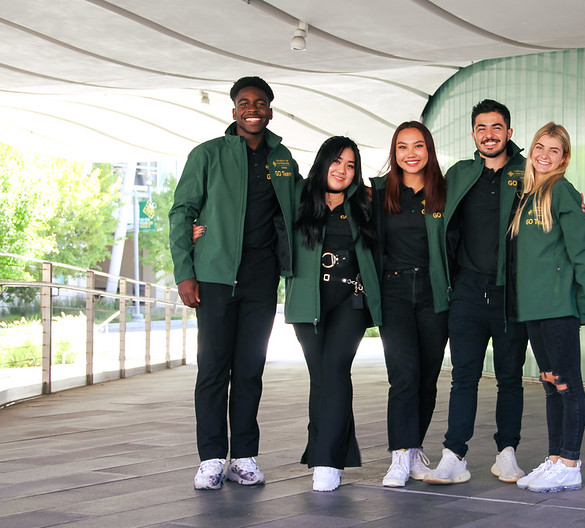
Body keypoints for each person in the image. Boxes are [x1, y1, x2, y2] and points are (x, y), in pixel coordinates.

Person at [169, 76, 301, 490]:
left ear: (270, 111)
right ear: (234, 111)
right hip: (214, 278)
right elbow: (181, 213)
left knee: (250, 370)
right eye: (244, 103)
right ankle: (210, 457)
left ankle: (243, 455)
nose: (252, 109)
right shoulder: (208, 154)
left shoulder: (282, 160)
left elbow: (304, 203)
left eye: (260, 103)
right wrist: (185, 272)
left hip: (262, 280)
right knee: (212, 369)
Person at [423, 99, 531, 484]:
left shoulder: (527, 171)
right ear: (474, 134)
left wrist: (578, 208)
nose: (489, 134)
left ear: (509, 133)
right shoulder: (460, 174)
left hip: (509, 293)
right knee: (463, 376)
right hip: (467, 290)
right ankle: (454, 455)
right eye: (482, 128)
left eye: (497, 127)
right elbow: (427, 204)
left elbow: (556, 198)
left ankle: (507, 454)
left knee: (510, 377)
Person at [284, 136, 382, 492]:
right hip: (308, 301)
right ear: (323, 162)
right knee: (320, 377)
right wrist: (199, 229)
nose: (342, 170)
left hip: (350, 300)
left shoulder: (366, 203)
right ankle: (327, 450)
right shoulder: (298, 197)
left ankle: (326, 462)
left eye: (351, 164)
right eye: (337, 162)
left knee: (335, 370)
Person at [508, 122, 585, 492]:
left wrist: (584, 302)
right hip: (533, 309)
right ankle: (554, 459)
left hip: (559, 308)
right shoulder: (528, 195)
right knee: (550, 384)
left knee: (567, 386)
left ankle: (571, 462)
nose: (544, 156)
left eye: (554, 151)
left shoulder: (561, 191)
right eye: (540, 148)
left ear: (564, 159)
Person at [370, 122, 450, 487]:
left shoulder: (446, 193)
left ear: (429, 150)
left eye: (418, 146)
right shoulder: (376, 192)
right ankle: (400, 456)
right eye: (403, 147)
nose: (411, 153)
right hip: (395, 291)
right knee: (404, 376)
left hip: (435, 294)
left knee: (428, 380)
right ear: (394, 153)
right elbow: (325, 194)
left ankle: (415, 449)